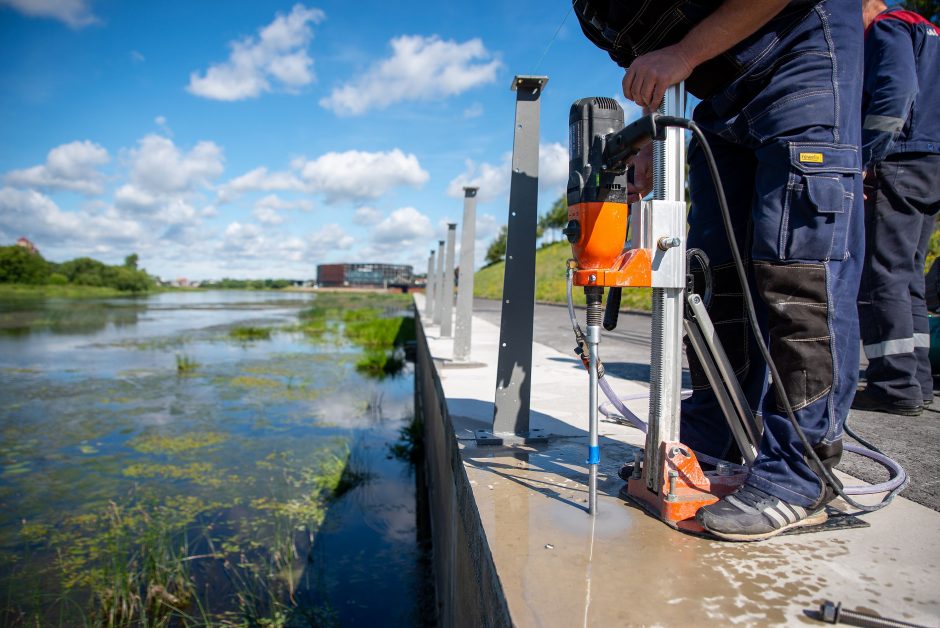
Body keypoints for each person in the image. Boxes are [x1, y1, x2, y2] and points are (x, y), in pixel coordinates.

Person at [574, 0, 863, 541]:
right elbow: (659, 54)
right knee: (715, 276)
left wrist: (684, 54)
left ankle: (803, 468)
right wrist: (651, 136)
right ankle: (717, 429)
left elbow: (677, 52)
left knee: (796, 269)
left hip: (795, 52)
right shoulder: (593, 8)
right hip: (718, 93)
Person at [852, 1, 940, 417]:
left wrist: (866, 158)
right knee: (908, 277)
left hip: (901, 161)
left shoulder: (888, 28)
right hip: (932, 162)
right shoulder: (927, 31)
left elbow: (895, 92)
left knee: (882, 276)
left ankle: (894, 385)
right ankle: (917, 380)